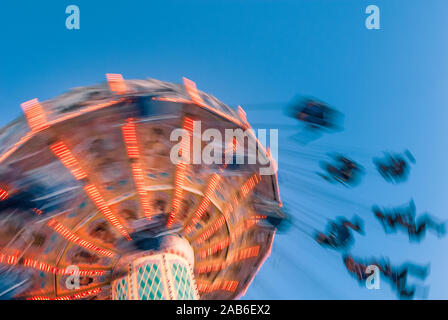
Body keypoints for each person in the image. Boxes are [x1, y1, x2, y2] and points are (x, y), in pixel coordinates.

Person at [343, 254, 429, 299]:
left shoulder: (357, 265)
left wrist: (383, 265)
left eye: (351, 259)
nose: (352, 260)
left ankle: (420, 276)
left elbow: (372, 267)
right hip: (391, 276)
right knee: (404, 270)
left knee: (405, 269)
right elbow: (366, 275)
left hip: (391, 275)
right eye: (350, 261)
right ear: (348, 264)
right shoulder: (356, 268)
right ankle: (419, 277)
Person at [373, 200, 446, 241]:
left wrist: (410, 209)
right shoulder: (389, 221)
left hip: (414, 229)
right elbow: (392, 228)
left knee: (425, 218)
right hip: (414, 232)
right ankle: (438, 230)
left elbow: (403, 216)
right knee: (424, 219)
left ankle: (438, 229)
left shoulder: (390, 215)